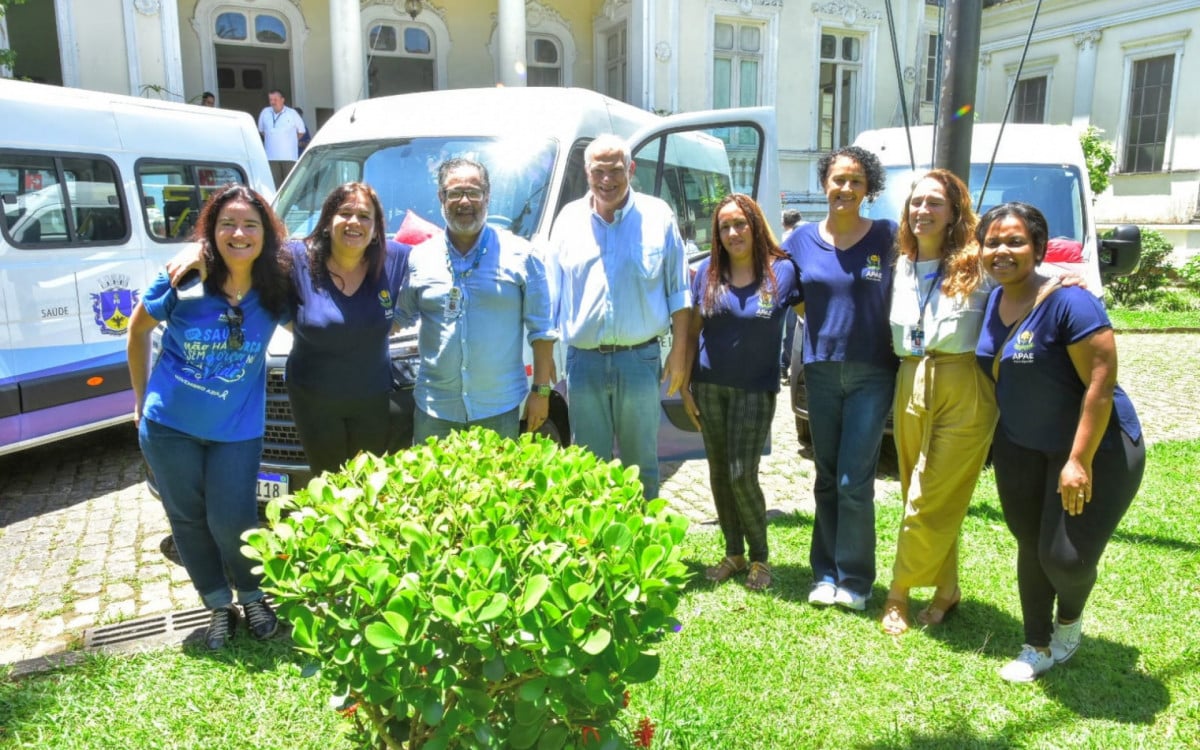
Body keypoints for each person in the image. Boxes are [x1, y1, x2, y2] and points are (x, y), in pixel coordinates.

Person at [974, 202, 1144, 683]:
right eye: (992, 241)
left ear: (1039, 248)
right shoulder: (993, 300)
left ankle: (1069, 618)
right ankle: (1037, 645)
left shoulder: (1072, 301)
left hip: (1095, 450)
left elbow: (1100, 381)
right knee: (1030, 543)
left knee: (1064, 557)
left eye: (1015, 241)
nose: (1001, 250)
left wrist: (1079, 460)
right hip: (1021, 445)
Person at [127, 185, 292, 650]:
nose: (239, 233)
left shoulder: (275, 287)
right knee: (188, 520)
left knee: (233, 519)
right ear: (211, 231)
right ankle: (219, 605)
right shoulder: (182, 278)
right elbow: (138, 331)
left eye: (250, 225)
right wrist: (141, 403)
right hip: (169, 428)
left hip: (236, 431)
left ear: (266, 234)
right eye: (227, 224)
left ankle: (255, 596)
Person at [781, 145, 898, 612]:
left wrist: (1052, 279)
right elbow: (777, 285)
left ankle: (855, 578)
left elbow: (948, 255)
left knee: (854, 479)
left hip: (873, 373)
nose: (845, 188)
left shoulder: (889, 236)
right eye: (837, 179)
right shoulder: (800, 240)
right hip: (821, 372)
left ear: (868, 188)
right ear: (824, 184)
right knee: (826, 476)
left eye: (855, 180)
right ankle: (824, 574)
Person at [880, 169, 996, 635]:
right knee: (918, 491)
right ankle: (946, 590)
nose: (922, 210)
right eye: (916, 202)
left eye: (935, 203)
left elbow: (1032, 280)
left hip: (962, 381)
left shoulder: (979, 265)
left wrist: (1063, 284)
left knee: (929, 497)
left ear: (954, 213)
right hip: (911, 378)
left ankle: (897, 592)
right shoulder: (902, 264)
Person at [547, 134, 690, 502]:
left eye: (615, 170)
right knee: (587, 464)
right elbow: (551, 294)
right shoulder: (567, 220)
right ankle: (597, 551)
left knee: (641, 462)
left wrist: (678, 355)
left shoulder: (658, 216)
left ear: (631, 169)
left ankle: (644, 548)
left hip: (639, 360)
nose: (607, 180)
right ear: (587, 171)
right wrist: (545, 356)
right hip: (584, 362)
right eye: (599, 171)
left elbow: (679, 292)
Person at [681, 194, 802, 591]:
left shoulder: (781, 272)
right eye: (724, 226)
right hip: (710, 385)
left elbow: (807, 317)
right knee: (717, 472)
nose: (733, 233)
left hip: (755, 389)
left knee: (741, 475)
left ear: (754, 224)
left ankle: (760, 558)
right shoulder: (707, 274)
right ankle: (734, 553)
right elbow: (693, 329)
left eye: (740, 224)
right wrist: (683, 382)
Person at [396, 157, 556, 441]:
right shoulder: (419, 257)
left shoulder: (522, 255)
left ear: (488, 196)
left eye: (474, 192)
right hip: (435, 411)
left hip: (498, 409)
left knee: (495, 486)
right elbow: (398, 317)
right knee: (432, 487)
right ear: (441, 197)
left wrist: (541, 392)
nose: (465, 201)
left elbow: (542, 331)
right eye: (455, 193)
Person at [286, 182, 411, 473]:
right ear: (328, 221)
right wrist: (200, 251)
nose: (354, 222)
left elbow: (442, 254)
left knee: (369, 487)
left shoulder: (397, 259)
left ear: (377, 227)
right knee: (328, 486)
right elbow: (248, 250)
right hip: (313, 401)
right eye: (345, 213)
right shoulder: (296, 258)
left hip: (373, 400)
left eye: (365, 216)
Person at [257, 89, 306, 188]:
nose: (273, 102)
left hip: (289, 157)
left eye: (275, 99)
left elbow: (301, 131)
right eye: (271, 99)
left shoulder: (292, 113)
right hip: (271, 157)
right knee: (274, 186)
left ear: (282, 99)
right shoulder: (265, 112)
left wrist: (289, 140)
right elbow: (261, 131)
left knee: (290, 187)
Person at [780, 208, 804, 377]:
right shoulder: (802, 235)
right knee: (795, 330)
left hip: (786, 289)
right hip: (799, 292)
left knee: (789, 331)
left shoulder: (785, 238)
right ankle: (786, 365)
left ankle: (783, 365)